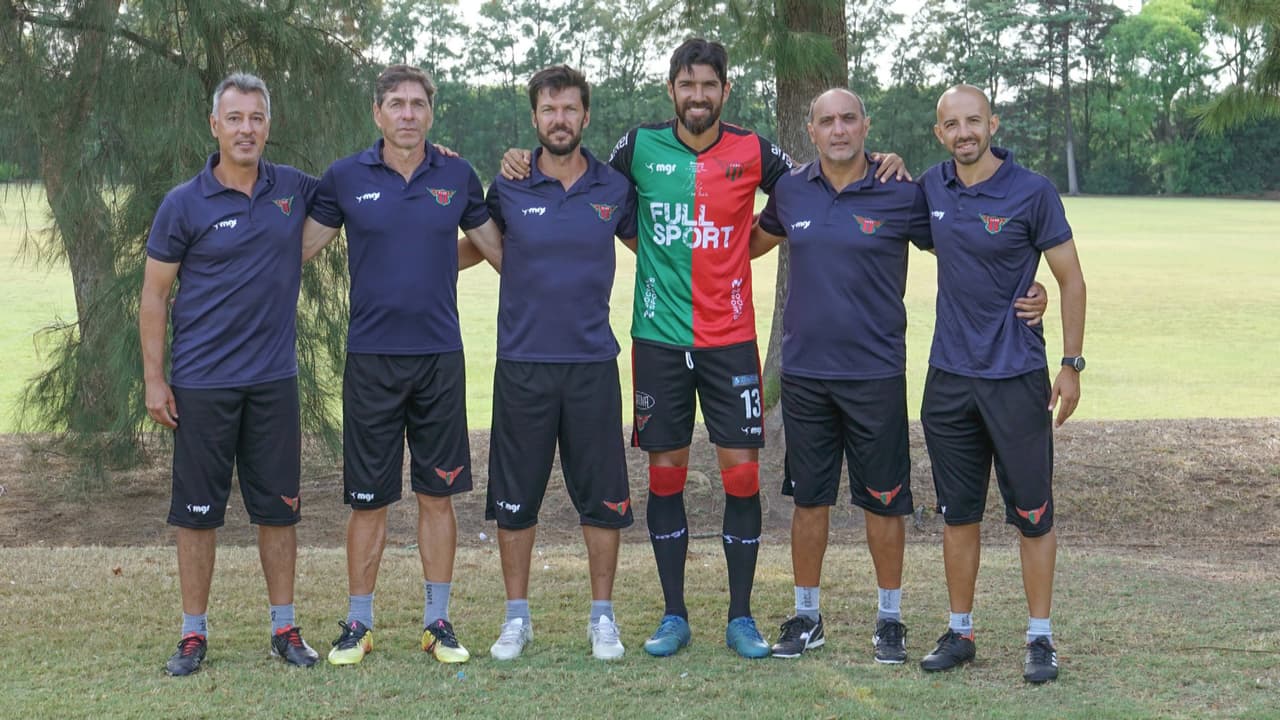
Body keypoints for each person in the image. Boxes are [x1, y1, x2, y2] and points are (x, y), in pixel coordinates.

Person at [502, 39, 902, 659]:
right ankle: (674, 615)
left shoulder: (754, 150)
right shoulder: (637, 147)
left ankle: (741, 617)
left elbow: (818, 177)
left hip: (730, 339)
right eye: (686, 85)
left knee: (741, 477)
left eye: (708, 85)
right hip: (659, 338)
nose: (697, 96)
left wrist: (879, 161)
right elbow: (587, 181)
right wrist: (520, 158)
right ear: (671, 90)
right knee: (666, 476)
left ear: (725, 90)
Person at [749, 88, 1046, 662]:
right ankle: (807, 615)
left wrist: (1031, 290)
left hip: (876, 373)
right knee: (809, 500)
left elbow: (972, 244)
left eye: (849, 119)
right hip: (806, 373)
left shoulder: (903, 193)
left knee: (884, 502)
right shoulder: (790, 190)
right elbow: (747, 246)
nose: (838, 129)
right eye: (826, 121)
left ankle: (890, 619)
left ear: (866, 126)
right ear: (811, 131)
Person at [301, 64, 502, 667]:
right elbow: (298, 248)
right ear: (377, 112)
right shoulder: (344, 177)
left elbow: (496, 250)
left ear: (431, 113)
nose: (408, 113)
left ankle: (437, 623)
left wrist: (435, 256)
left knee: (437, 496)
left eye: (418, 103)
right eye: (397, 103)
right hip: (371, 360)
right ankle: (358, 625)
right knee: (368, 500)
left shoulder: (457, 175)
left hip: (439, 358)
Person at [141, 72, 321, 676]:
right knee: (197, 515)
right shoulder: (182, 203)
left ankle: (284, 628)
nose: (247, 129)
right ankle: (193, 634)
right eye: (235, 118)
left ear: (269, 126)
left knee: (279, 511)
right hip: (201, 384)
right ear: (214, 125)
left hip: (273, 381)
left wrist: (427, 151)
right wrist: (155, 379)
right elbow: (153, 296)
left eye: (256, 118)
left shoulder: (293, 188)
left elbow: (358, 187)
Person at [915, 84, 1086, 683]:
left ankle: (1040, 639)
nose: (963, 133)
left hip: (1016, 378)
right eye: (951, 124)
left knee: (1033, 513)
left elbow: (1070, 279)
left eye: (973, 121)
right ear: (939, 133)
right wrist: (885, 161)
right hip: (948, 378)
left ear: (993, 124)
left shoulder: (1032, 191)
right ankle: (960, 632)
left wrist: (1072, 364)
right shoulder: (930, 188)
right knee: (957, 515)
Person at [480, 65, 638, 661]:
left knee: (602, 497)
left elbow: (652, 248)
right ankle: (515, 619)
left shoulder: (613, 187)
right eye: (549, 110)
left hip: (592, 363)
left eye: (570, 109)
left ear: (586, 115)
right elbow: (479, 242)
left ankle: (603, 618)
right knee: (516, 499)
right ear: (535, 118)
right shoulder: (509, 185)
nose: (560, 119)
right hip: (523, 363)